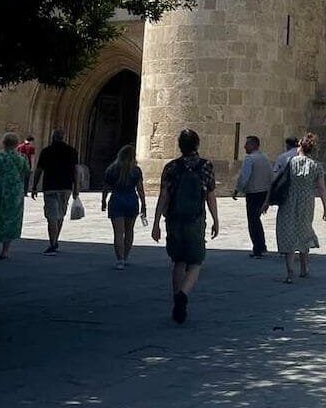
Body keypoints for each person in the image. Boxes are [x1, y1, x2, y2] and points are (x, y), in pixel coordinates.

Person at [152, 129, 219, 324]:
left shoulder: (171, 167)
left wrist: (156, 222)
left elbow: (164, 196)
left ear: (179, 146)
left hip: (174, 219)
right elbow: (210, 195)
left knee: (179, 261)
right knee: (196, 262)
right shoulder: (205, 166)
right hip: (195, 220)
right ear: (197, 144)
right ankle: (183, 294)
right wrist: (216, 219)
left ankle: (176, 298)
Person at [263, 132, 326, 282]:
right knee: (304, 231)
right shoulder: (316, 166)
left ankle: (290, 272)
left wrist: (267, 201)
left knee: (288, 233)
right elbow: (322, 189)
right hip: (307, 202)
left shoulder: (290, 162)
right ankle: (305, 268)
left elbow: (276, 182)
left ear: (300, 146)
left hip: (289, 201)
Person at [30, 129, 81, 255]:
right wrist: (76, 188)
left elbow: (39, 170)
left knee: (52, 216)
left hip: (50, 187)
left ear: (53, 137)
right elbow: (76, 171)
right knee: (60, 215)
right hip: (66, 187)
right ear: (63, 138)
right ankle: (55, 240)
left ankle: (53, 243)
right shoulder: (72, 151)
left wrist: (34, 186)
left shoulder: (46, 151)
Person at [101, 145, 147, 269]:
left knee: (118, 232)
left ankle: (120, 259)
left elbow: (105, 188)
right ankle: (125, 257)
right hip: (131, 200)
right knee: (129, 231)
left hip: (116, 200)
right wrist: (144, 204)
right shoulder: (136, 170)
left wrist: (103, 201)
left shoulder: (111, 169)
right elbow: (140, 189)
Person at [232, 135, 272, 257]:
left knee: (253, 221)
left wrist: (238, 190)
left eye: (247, 144)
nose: (244, 147)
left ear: (254, 145)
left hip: (253, 193)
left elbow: (244, 176)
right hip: (264, 192)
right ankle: (262, 246)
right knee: (256, 220)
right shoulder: (265, 158)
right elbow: (271, 175)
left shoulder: (250, 159)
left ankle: (258, 249)